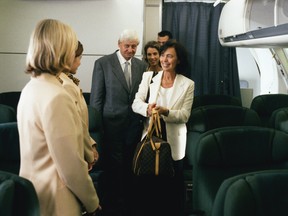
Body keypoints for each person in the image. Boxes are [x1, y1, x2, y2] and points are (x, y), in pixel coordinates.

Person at [17, 19, 100, 216]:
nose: (74, 54)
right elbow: (71, 168)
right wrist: (93, 202)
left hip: (32, 194)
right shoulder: (57, 96)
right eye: (72, 47)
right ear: (61, 50)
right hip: (57, 200)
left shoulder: (30, 88)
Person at [132, 40, 195, 216]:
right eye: (162, 55)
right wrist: (147, 109)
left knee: (172, 189)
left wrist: (166, 111)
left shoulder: (188, 84)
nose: (164, 60)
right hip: (151, 139)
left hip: (174, 142)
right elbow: (136, 103)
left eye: (169, 56)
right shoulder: (149, 77)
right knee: (150, 186)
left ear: (178, 60)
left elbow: (184, 115)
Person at [90, 29, 147, 216]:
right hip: (111, 124)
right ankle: (114, 203)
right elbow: (96, 100)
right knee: (114, 166)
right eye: (127, 46)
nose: (131, 50)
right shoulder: (103, 64)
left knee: (131, 165)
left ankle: (129, 203)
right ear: (119, 44)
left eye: (134, 46)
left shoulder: (141, 66)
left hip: (134, 124)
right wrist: (96, 129)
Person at [58, 41, 99, 171]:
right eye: (79, 58)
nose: (80, 62)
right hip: (74, 150)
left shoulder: (67, 80)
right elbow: (77, 124)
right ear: (69, 58)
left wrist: (90, 144)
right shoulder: (66, 85)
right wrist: (89, 153)